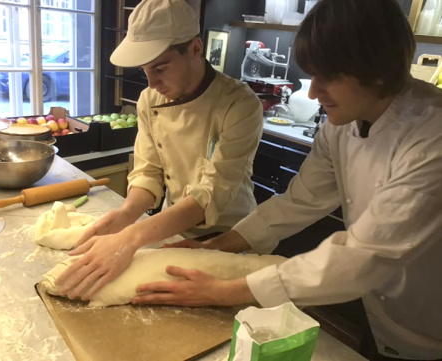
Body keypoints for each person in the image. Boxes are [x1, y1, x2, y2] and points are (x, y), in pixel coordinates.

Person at [131, 0, 442, 360]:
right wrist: (214, 248)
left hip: (430, 324)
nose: (312, 93)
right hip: (380, 317)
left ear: (376, 71)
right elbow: (297, 202)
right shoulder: (341, 127)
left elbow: (362, 256)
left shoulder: (431, 139)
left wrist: (223, 291)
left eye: (327, 77)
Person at [55, 0, 263, 302]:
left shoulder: (239, 104)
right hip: (171, 230)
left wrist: (132, 236)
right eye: (145, 70)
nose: (151, 82)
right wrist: (125, 215)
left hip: (231, 237)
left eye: (160, 67)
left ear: (195, 48)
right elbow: (148, 173)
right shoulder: (149, 100)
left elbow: (212, 194)